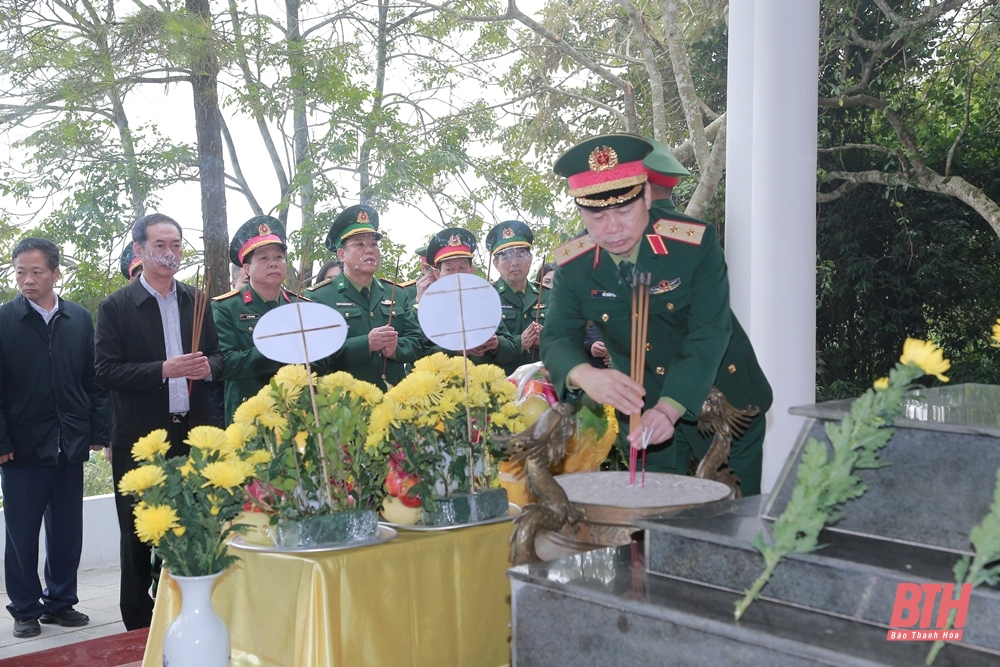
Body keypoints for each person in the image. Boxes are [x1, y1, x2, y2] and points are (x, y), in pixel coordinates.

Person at [541, 134, 772, 496]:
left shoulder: (692, 245)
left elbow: (710, 331)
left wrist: (669, 409)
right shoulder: (574, 265)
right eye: (596, 216)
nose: (612, 227)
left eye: (624, 211)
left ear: (647, 196)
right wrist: (585, 375)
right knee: (653, 519)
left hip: (722, 403)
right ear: (581, 212)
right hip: (640, 406)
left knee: (731, 517)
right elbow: (556, 335)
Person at [95, 213, 224, 630]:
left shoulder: (197, 300)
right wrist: (163, 370)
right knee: (137, 532)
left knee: (196, 525)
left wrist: (207, 367)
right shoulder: (116, 306)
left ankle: (194, 611)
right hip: (141, 433)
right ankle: (136, 622)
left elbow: (218, 358)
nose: (170, 254)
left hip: (194, 430)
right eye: (160, 246)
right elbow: (106, 372)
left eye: (176, 245)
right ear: (140, 250)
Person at [0, 238, 108, 639]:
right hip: (21, 449)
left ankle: (61, 603)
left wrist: (97, 430)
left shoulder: (78, 318)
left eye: (36, 272)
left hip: (70, 444)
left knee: (66, 531)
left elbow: (91, 380)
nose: (27, 281)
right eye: (20, 273)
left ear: (56, 273)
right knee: (22, 536)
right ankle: (25, 609)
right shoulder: (4, 320)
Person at [308, 204, 422, 389]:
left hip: (394, 401)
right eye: (359, 244)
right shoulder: (319, 297)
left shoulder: (396, 293)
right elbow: (315, 356)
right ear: (342, 254)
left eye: (374, 244)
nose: (369, 250)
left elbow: (417, 341)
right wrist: (365, 345)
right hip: (345, 406)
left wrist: (396, 349)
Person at [212, 216, 310, 423]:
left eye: (279, 257)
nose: (273, 263)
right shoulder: (225, 307)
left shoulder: (303, 306)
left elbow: (324, 360)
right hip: (249, 411)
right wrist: (275, 347)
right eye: (263, 258)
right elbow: (225, 364)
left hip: (297, 411)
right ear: (246, 268)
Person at [421, 228, 517, 365]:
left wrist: (496, 343)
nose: (457, 274)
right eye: (449, 269)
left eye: (462, 268)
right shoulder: (424, 308)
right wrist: (457, 350)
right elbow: (418, 354)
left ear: (472, 271)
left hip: (483, 382)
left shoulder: (486, 305)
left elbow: (511, 350)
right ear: (437, 274)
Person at [484, 220, 549, 377]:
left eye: (520, 255)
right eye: (506, 257)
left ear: (530, 259)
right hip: (501, 386)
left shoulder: (548, 295)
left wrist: (547, 339)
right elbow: (481, 350)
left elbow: (567, 339)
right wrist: (520, 343)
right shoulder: (485, 298)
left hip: (545, 385)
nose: (514, 262)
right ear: (495, 264)